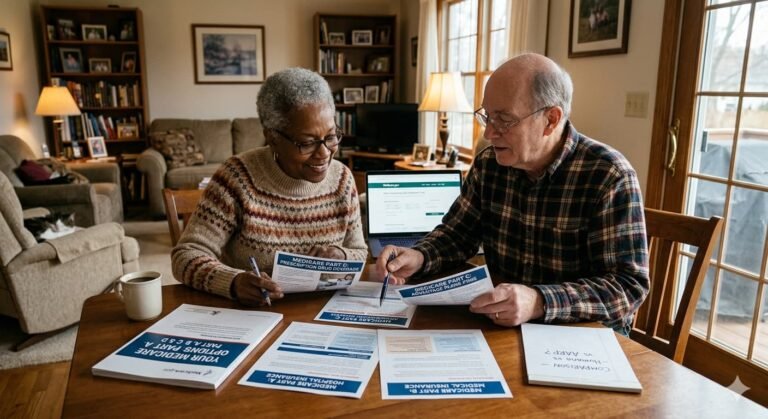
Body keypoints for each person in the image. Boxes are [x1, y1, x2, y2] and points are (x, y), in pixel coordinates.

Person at [375, 53, 649, 335]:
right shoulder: (489, 164)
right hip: (503, 327)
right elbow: (457, 235)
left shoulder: (608, 175)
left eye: (504, 120)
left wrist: (540, 301)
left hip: (584, 339)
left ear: (551, 120)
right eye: (487, 117)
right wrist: (418, 256)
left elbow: (627, 287)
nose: (490, 133)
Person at [172, 67, 367, 306]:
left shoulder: (342, 180)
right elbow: (185, 256)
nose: (324, 153)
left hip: (321, 312)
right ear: (272, 137)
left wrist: (341, 255)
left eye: (331, 136)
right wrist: (234, 282)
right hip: (255, 315)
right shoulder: (237, 178)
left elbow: (359, 252)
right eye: (306, 143)